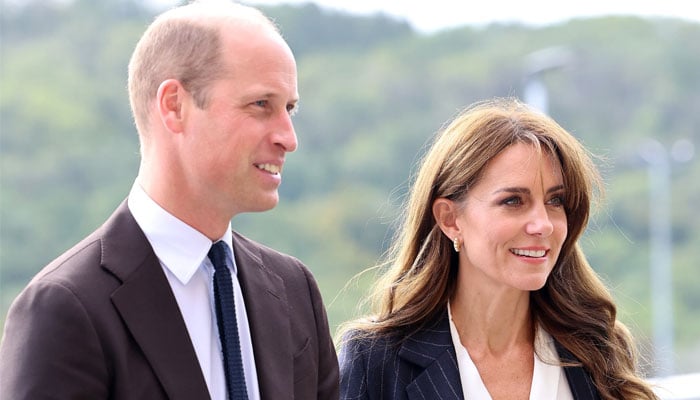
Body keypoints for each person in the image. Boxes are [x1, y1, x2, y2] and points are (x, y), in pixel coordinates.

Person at [0, 1, 339, 399]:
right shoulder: (65, 307)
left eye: (289, 109)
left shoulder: (294, 290)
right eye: (261, 104)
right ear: (174, 106)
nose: (288, 138)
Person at [338, 97, 658, 400]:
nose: (542, 224)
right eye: (513, 201)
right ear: (450, 219)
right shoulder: (376, 361)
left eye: (555, 200)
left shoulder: (599, 349)